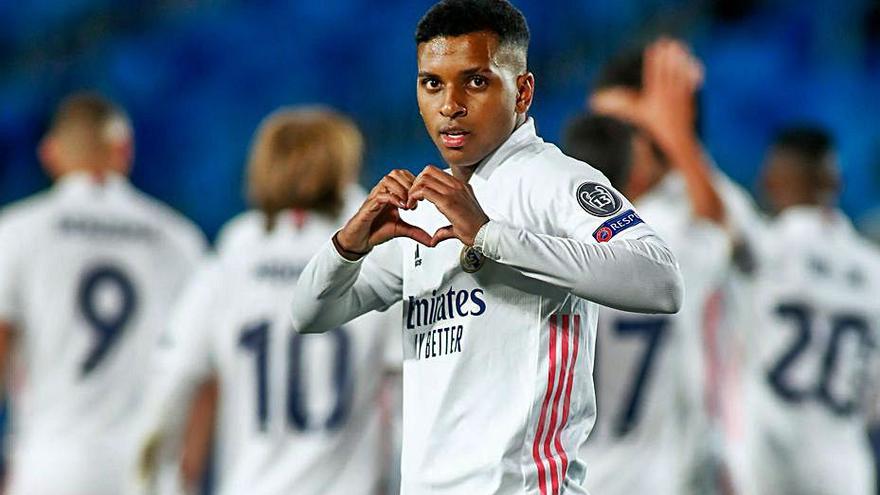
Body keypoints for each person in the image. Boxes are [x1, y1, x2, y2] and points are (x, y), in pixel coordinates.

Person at [290, 1, 684, 494]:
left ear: (522, 91)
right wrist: (347, 248)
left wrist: (490, 237)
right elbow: (309, 313)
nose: (450, 104)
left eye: (475, 81)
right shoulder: (426, 207)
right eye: (431, 82)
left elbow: (661, 280)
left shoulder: (553, 180)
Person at [131, 107, 402, 495]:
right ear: (344, 171)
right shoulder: (378, 266)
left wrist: (157, 486)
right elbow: (408, 407)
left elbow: (170, 384)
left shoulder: (229, 265)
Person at [0, 92, 206, 495]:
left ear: (49, 154)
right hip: (146, 472)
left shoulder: (16, 232)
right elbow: (202, 369)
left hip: (50, 465)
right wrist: (187, 471)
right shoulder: (180, 240)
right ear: (124, 150)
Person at [563, 110, 731, 495]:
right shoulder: (668, 245)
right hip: (654, 477)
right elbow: (717, 229)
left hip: (565, 475)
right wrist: (681, 137)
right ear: (631, 173)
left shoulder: (535, 251)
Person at [742, 126, 880, 495]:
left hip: (764, 459)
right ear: (834, 182)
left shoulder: (763, 249)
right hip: (845, 469)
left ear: (771, 180)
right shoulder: (874, 269)